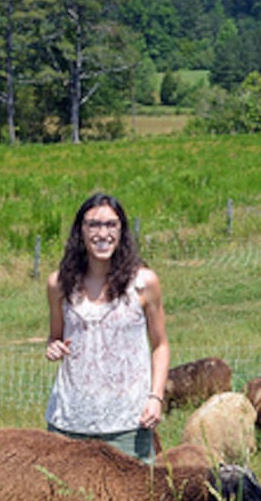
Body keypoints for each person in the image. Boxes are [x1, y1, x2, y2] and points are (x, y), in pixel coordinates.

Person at [44, 192, 170, 461]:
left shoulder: (144, 283)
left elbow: (160, 345)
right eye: (94, 225)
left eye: (111, 224)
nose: (103, 233)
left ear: (122, 230)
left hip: (127, 422)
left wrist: (156, 398)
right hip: (70, 420)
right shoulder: (58, 285)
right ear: (81, 231)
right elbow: (55, 337)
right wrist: (53, 347)